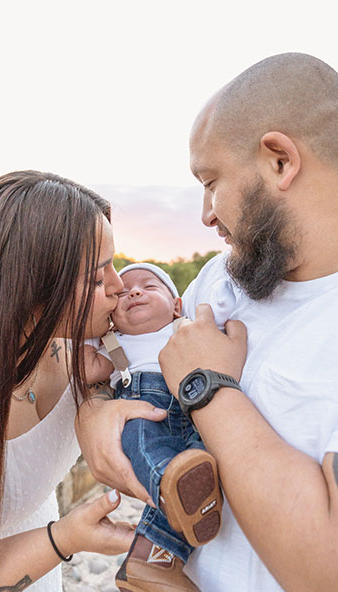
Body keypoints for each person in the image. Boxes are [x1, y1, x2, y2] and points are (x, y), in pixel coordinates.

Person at [75, 52, 338, 592]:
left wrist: (208, 388)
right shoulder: (223, 277)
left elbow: (324, 569)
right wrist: (98, 415)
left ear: (280, 161)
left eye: (211, 180)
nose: (205, 214)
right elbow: (144, 362)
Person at [0, 170, 170, 592]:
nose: (118, 286)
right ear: (31, 288)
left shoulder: (84, 348)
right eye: (97, 276)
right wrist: (66, 537)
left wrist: (95, 404)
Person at [85, 262, 236, 591]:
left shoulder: (184, 327)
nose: (134, 292)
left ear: (177, 305)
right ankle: (165, 523)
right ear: (113, 319)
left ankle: (152, 553)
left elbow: (220, 322)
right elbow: (83, 369)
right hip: (143, 403)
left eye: (149, 287)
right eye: (123, 293)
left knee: (205, 456)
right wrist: (92, 332)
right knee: (144, 448)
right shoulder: (113, 343)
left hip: (192, 402)